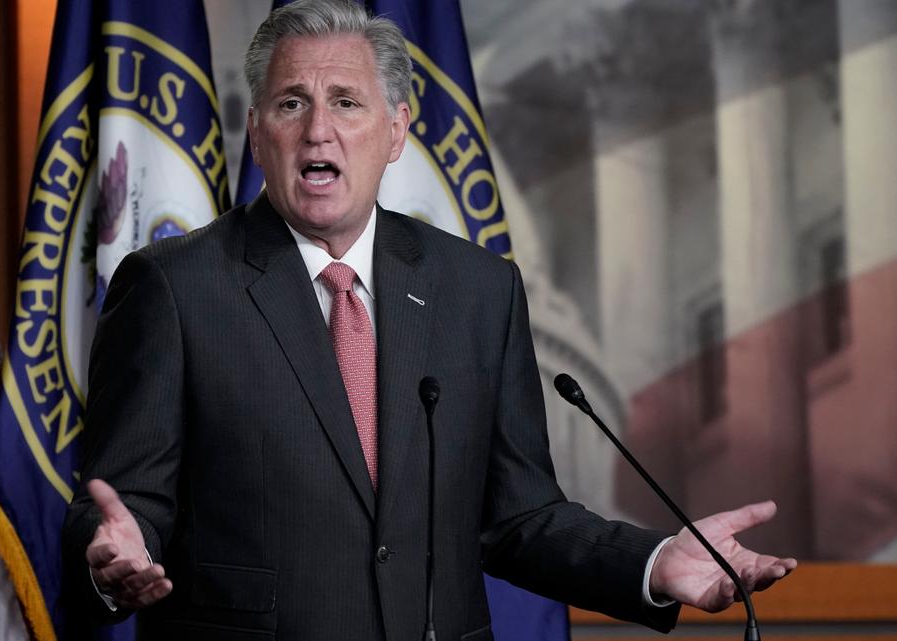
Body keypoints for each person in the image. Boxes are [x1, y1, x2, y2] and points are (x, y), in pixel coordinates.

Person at [61, 1, 796, 639]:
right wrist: (112, 550)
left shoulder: (477, 289)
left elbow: (520, 516)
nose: (319, 130)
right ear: (257, 132)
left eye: (347, 102)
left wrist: (654, 562)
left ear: (396, 132)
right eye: (291, 103)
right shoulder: (173, 288)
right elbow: (126, 505)